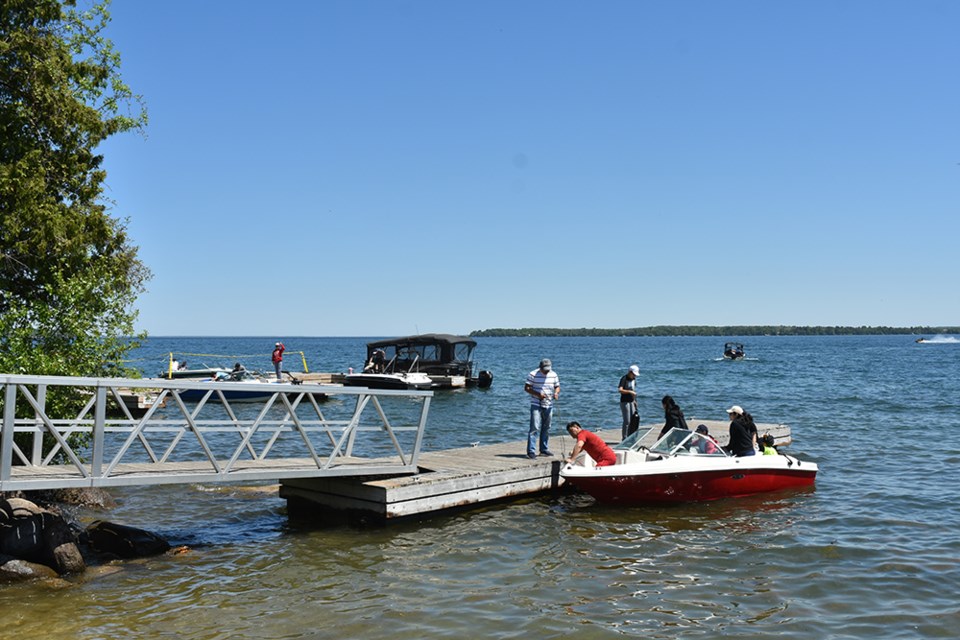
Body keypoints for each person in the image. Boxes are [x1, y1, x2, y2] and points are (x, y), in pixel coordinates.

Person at [524, 358, 560, 459]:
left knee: (547, 427)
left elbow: (557, 386)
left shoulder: (554, 374)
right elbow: (526, 388)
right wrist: (538, 394)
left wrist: (556, 393)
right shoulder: (532, 374)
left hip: (549, 404)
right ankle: (531, 451)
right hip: (536, 403)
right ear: (540, 367)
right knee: (534, 427)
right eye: (545, 369)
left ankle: (543, 449)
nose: (547, 371)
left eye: (548, 369)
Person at [618, 364, 640, 439]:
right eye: (633, 374)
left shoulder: (634, 380)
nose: (635, 376)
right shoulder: (624, 379)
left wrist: (635, 401)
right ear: (630, 372)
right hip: (625, 402)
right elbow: (620, 390)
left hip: (632, 401)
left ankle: (631, 437)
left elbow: (634, 390)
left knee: (632, 420)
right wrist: (629, 392)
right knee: (627, 421)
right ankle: (624, 438)